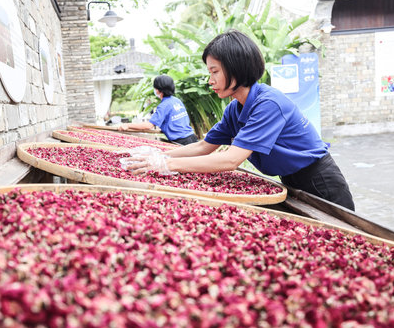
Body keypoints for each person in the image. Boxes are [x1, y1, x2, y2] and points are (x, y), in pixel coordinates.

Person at [127, 30, 355, 211]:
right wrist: (156, 155)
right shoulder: (235, 109)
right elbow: (204, 146)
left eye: (214, 71)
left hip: (319, 180)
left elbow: (230, 160)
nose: (210, 80)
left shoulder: (268, 104)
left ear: (235, 69)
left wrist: (168, 165)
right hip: (291, 179)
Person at [117, 75, 198, 145]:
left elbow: (148, 126)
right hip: (192, 137)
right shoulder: (176, 100)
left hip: (181, 141)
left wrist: (127, 125)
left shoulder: (163, 106)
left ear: (159, 90)